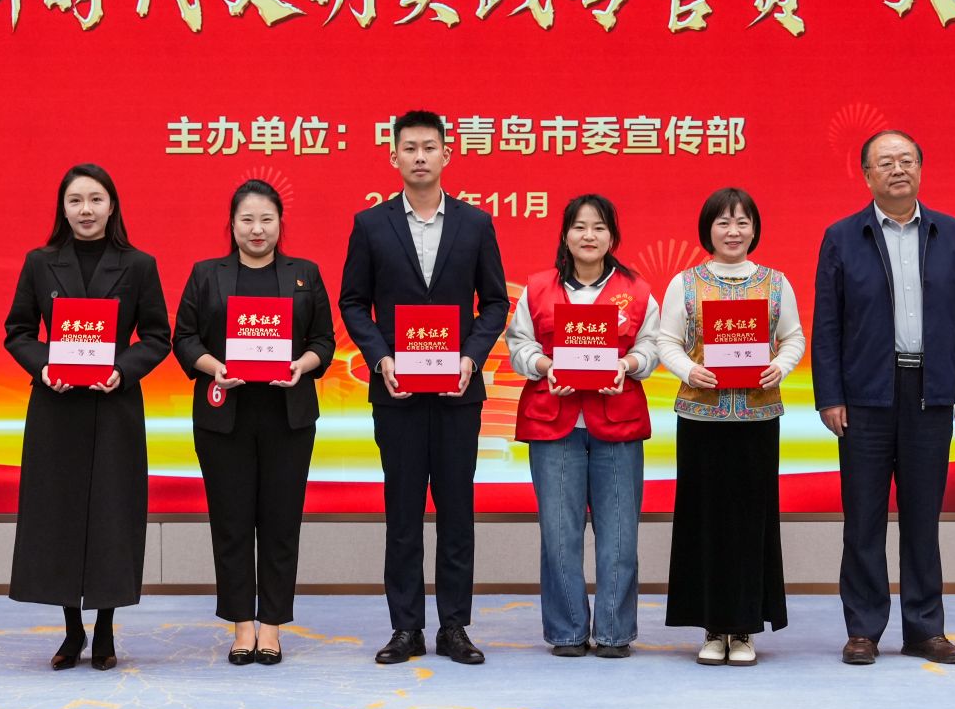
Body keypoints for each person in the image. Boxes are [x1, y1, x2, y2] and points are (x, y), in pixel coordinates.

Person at [339, 109, 509, 665]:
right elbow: (353, 302)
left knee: (457, 512)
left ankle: (454, 627)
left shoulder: (475, 224)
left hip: (459, 393)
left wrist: (471, 357)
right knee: (403, 512)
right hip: (399, 394)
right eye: (409, 147)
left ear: (446, 154)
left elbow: (495, 303)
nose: (419, 156)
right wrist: (380, 358)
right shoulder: (371, 225)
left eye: (428, 147)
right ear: (393, 156)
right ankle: (406, 627)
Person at [813, 130, 955, 666]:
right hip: (864, 395)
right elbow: (827, 325)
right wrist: (829, 396)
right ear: (867, 176)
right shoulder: (843, 237)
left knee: (922, 518)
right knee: (863, 518)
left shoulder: (950, 233)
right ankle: (863, 629)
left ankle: (924, 629)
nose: (897, 169)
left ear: (921, 168)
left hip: (930, 393)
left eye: (906, 160)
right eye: (884, 162)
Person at [2, 163, 171, 671]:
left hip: (114, 406)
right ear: (63, 208)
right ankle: (72, 629)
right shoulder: (40, 262)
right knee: (60, 516)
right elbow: (18, 331)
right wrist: (44, 366)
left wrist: (123, 370)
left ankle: (106, 628)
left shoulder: (138, 264)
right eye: (75, 201)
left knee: (111, 517)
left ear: (112, 206)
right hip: (56, 408)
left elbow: (158, 336)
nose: (86, 210)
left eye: (96, 200)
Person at [173, 179, 336, 666]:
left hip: (288, 419)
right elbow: (184, 338)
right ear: (232, 224)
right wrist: (215, 367)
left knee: (281, 523)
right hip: (225, 418)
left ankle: (272, 626)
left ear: (280, 224)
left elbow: (324, 341)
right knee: (232, 523)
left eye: (266, 219)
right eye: (247, 219)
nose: (257, 229)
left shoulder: (304, 274)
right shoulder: (207, 274)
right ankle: (242, 625)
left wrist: (302, 365)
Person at [504, 194, 659, 659]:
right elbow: (519, 344)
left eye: (599, 227)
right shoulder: (537, 288)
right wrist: (544, 365)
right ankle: (567, 630)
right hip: (554, 423)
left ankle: (614, 632)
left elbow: (652, 345)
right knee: (559, 534)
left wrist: (628, 364)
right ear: (565, 235)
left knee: (619, 536)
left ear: (613, 236)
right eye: (579, 227)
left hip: (618, 422)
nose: (589, 236)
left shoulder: (638, 291)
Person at [656, 188, 805, 667]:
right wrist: (688, 370)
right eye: (723, 222)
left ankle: (743, 629)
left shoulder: (776, 283)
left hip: (757, 419)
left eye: (742, 222)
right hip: (701, 419)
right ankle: (712, 626)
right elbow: (666, 341)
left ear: (755, 229)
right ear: (708, 230)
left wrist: (780, 367)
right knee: (705, 521)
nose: (733, 231)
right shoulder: (686, 283)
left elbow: (793, 338)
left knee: (750, 522)